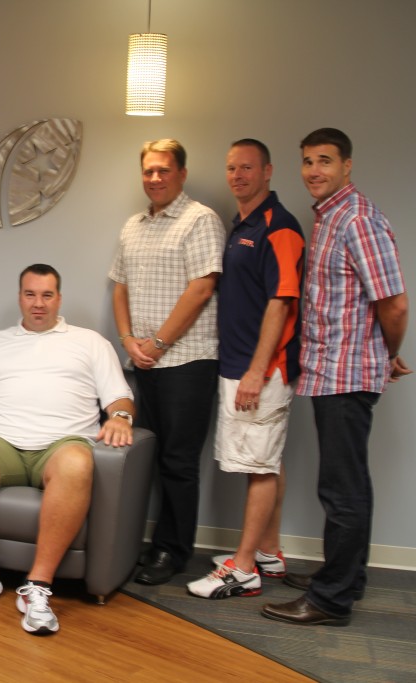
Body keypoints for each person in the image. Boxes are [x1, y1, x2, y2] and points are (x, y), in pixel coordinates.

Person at [0, 264, 135, 636]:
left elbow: (120, 398)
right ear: (19, 297)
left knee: (76, 461)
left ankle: (38, 585)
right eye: (30, 294)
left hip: (60, 446)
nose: (38, 304)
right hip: (1, 445)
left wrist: (120, 417)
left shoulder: (89, 343)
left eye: (46, 295)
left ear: (59, 298)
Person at [262, 128, 409, 626]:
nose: (314, 170)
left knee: (341, 489)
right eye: (307, 161)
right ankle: (347, 576)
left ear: (347, 165)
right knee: (348, 485)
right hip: (330, 372)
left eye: (324, 161)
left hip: (346, 375)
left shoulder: (358, 220)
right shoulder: (329, 216)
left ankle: (331, 600)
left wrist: (388, 353)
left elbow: (394, 302)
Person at [187, 139, 305, 599]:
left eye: (247, 168)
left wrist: (258, 371)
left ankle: (244, 567)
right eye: (232, 168)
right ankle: (269, 550)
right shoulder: (242, 225)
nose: (237, 175)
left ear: (268, 171)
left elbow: (281, 302)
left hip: (264, 369)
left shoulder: (280, 228)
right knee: (266, 458)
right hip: (237, 363)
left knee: (258, 465)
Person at [109, 139, 225, 585]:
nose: (154, 178)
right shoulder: (133, 225)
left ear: (181, 173)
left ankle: (173, 552)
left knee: (179, 462)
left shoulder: (200, 220)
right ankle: (155, 543)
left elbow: (201, 288)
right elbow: (119, 286)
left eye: (163, 170)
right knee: (151, 458)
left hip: (188, 362)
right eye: (148, 171)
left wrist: (156, 343)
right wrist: (128, 340)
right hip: (144, 362)